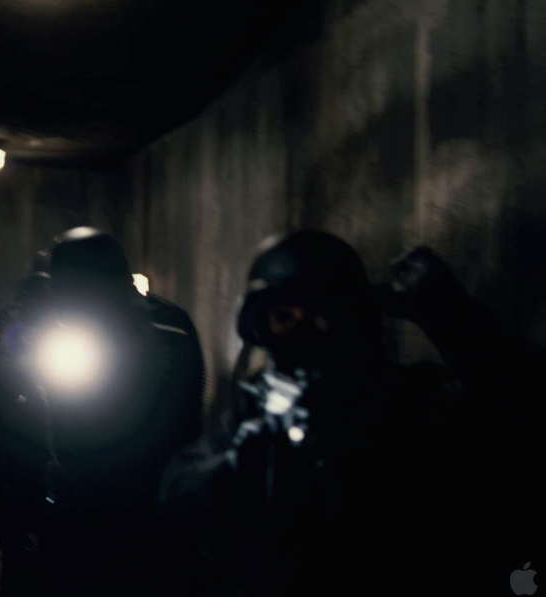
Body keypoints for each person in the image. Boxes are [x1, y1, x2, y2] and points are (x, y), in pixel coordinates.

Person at [156, 230, 541, 597]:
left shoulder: (412, 400)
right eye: (286, 316)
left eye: (328, 311)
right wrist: (237, 463)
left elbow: (517, 423)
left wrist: (454, 318)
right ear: (261, 326)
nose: (312, 332)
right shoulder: (258, 410)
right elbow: (177, 496)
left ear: (359, 316)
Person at [22, 227, 206, 596]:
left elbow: (188, 408)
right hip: (103, 492)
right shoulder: (168, 321)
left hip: (133, 496)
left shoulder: (166, 326)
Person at [0, 266, 55, 595]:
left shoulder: (71, 326)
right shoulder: (8, 322)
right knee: (14, 540)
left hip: (60, 429)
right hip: (12, 433)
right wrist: (20, 381)